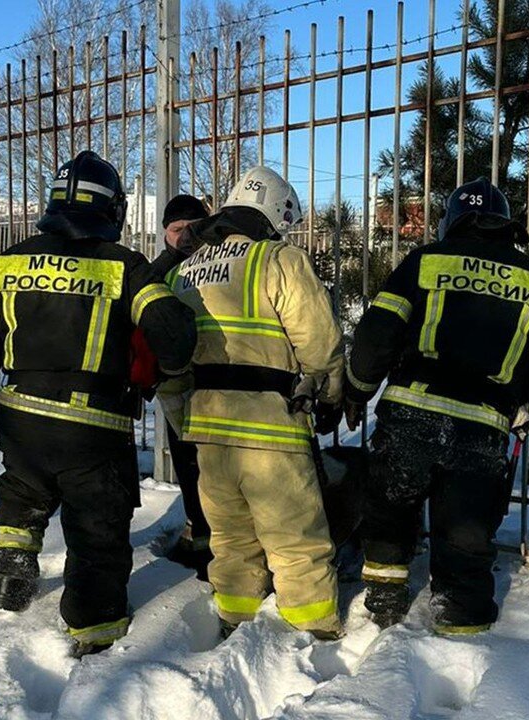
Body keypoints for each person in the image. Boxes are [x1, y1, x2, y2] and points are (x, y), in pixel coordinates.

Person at [0, 151, 197, 658]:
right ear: (113, 209)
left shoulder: (11, 261)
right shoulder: (125, 267)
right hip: (93, 429)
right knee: (97, 530)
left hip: (20, 420)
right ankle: (96, 637)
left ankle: (11, 584)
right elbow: (173, 340)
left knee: (21, 497)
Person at [344, 177, 529, 635]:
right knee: (466, 535)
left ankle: (385, 607)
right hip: (483, 427)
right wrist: (528, 403)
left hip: (410, 414)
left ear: (452, 222)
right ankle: (462, 628)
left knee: (391, 514)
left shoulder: (424, 262)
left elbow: (375, 336)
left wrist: (357, 389)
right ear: (505, 226)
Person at [167, 165, 345, 640]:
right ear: (272, 213)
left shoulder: (187, 269)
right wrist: (329, 396)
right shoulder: (280, 260)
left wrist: (185, 418)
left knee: (230, 538)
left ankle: (234, 617)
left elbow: (170, 359)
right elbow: (319, 345)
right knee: (296, 540)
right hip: (271, 429)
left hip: (208, 429)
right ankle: (316, 633)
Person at [151, 194, 213, 579]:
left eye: (195, 228)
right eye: (177, 230)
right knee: (188, 465)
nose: (187, 237)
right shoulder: (155, 273)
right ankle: (199, 533)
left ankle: (216, 539)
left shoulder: (220, 264)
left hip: (217, 383)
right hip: (176, 388)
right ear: (164, 234)